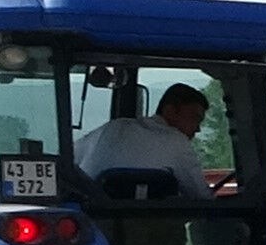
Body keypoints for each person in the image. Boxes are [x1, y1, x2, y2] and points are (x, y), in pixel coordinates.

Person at [74, 81, 214, 193]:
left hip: (92, 221)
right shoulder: (178, 142)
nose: (198, 128)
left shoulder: (114, 127)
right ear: (170, 111)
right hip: (152, 226)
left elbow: (70, 159)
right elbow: (200, 197)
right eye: (194, 118)